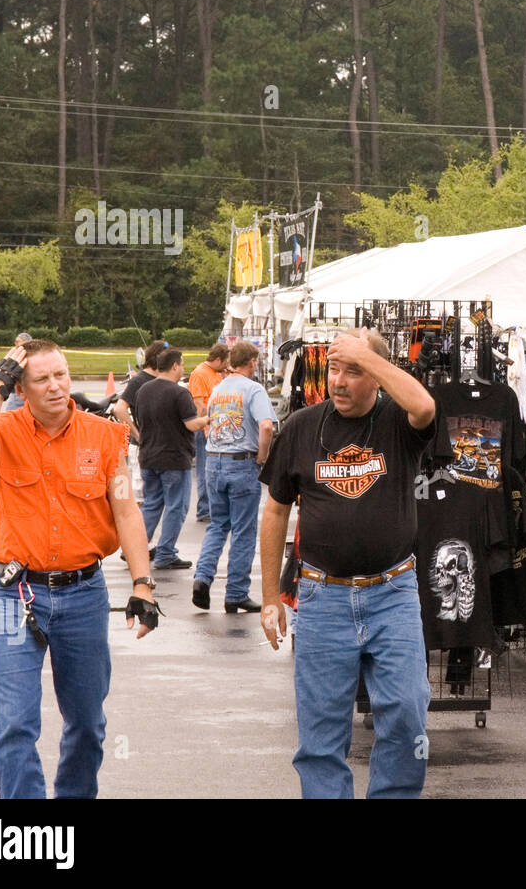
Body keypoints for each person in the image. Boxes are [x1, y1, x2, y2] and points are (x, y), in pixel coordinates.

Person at [0, 340, 161, 799]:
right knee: (14, 725)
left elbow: (126, 512)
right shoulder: (3, 430)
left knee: (87, 723)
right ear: (21, 388)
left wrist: (143, 584)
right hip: (15, 596)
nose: (56, 387)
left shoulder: (104, 436)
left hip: (84, 596)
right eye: (41, 379)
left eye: (61, 375)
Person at [259, 328, 436, 798]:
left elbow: (425, 408)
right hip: (321, 597)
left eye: (353, 370)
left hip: (392, 593)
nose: (338, 381)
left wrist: (370, 357)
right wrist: (269, 598)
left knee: (406, 709)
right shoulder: (300, 426)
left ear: (378, 376)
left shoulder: (398, 422)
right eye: (334, 368)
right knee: (320, 733)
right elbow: (276, 510)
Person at [192, 341, 275, 613]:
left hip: (214, 460)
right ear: (251, 362)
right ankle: (236, 592)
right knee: (243, 530)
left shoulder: (218, 389)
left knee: (218, 524)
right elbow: (265, 426)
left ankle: (202, 577)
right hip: (241, 461)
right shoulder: (253, 389)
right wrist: (263, 457)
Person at [135, 348, 208, 569]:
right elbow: (191, 424)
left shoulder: (143, 390)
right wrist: (209, 418)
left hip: (148, 455)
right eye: (182, 365)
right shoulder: (179, 393)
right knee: (176, 507)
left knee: (151, 505)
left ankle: (135, 549)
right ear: (175, 366)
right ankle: (166, 553)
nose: (183, 369)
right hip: (174, 458)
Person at [188, 344, 230, 522]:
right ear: (218, 359)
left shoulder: (215, 373)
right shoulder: (200, 373)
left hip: (216, 426)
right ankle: (204, 509)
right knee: (206, 468)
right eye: (225, 361)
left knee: (214, 468)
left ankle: (211, 506)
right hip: (206, 427)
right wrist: (206, 425)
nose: (227, 364)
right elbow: (199, 404)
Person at [114, 340, 167, 443]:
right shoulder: (138, 381)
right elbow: (119, 409)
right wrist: (137, 436)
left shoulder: (164, 379)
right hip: (144, 447)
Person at [1, 333, 34, 412]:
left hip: (22, 391)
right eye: (15, 342)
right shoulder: (15, 353)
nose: (16, 344)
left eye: (18, 342)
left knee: (11, 415)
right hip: (17, 391)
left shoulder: (29, 354)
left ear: (26, 342)